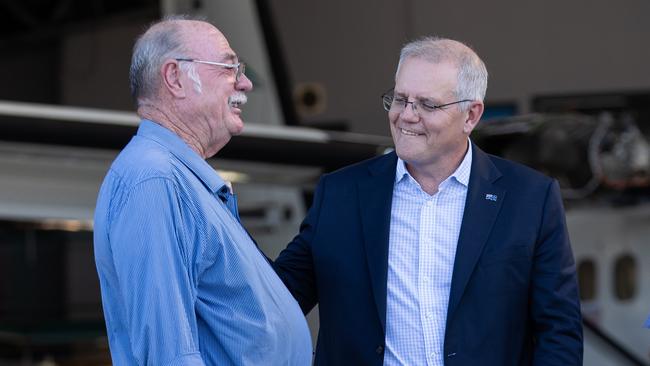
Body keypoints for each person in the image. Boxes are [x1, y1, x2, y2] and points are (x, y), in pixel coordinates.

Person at [274, 36, 583, 365]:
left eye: (427, 104)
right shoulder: (341, 194)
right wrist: (217, 211)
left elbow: (558, 331)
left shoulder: (530, 199)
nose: (406, 115)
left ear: (471, 115)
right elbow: (275, 296)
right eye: (400, 99)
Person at [93, 16, 311, 365]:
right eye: (228, 68)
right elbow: (168, 356)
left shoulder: (174, 178)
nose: (245, 83)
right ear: (175, 78)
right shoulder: (155, 180)